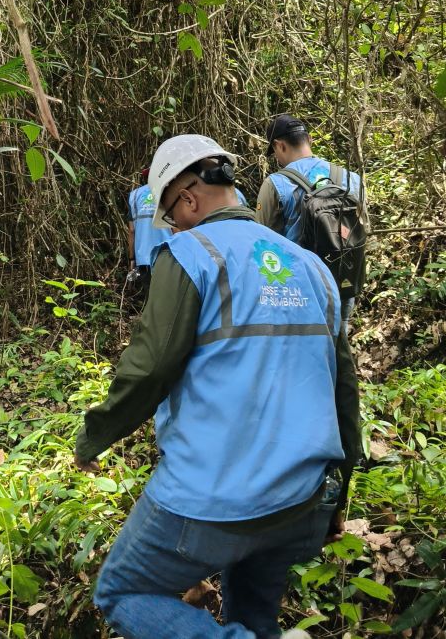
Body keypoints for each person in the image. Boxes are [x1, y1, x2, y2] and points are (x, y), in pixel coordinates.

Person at [76, 134, 361, 639]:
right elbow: (344, 391)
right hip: (300, 499)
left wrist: (96, 436)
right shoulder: (313, 268)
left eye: (170, 214)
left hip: (214, 501)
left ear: (188, 199)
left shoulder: (190, 253)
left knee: (121, 592)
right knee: (254, 616)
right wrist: (337, 499)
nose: (172, 227)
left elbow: (150, 367)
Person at [255, 114, 367, 321]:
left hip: (300, 289)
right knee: (338, 345)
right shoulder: (350, 178)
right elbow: (362, 229)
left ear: (279, 146)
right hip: (343, 279)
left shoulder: (276, 184)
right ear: (310, 140)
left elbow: (263, 242)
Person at [128, 169, 250, 288]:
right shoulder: (235, 194)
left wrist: (132, 259)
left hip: (147, 258)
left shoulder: (136, 196)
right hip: (189, 258)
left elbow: (132, 230)